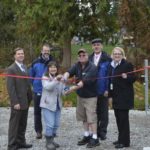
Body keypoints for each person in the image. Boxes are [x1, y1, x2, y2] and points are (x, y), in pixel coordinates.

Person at [63, 48, 100, 148]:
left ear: (88, 56)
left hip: (90, 97)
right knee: (83, 117)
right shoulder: (77, 65)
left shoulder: (93, 67)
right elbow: (69, 72)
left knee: (91, 118)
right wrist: (64, 77)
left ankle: (95, 138)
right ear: (78, 57)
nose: (82, 57)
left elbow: (81, 83)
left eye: (84, 55)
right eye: (80, 55)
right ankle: (87, 135)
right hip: (81, 96)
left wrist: (70, 90)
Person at [108, 47, 136, 149]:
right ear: (112, 55)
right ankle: (121, 139)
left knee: (123, 120)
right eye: (115, 54)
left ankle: (125, 142)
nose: (117, 55)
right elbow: (111, 81)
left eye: (119, 54)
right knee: (118, 119)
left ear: (122, 55)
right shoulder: (112, 66)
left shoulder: (127, 65)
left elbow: (133, 78)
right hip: (115, 97)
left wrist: (126, 77)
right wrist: (110, 96)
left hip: (124, 97)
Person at [6, 47, 32, 150]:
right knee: (14, 125)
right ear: (14, 56)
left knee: (23, 123)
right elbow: (10, 87)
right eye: (18, 54)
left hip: (25, 100)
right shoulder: (11, 69)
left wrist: (30, 97)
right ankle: (12, 145)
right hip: (17, 102)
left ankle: (21, 142)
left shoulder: (24, 67)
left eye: (22, 53)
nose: (21, 55)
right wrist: (15, 102)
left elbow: (26, 83)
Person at [29, 43, 54, 139]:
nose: (46, 52)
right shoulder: (35, 62)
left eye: (48, 51)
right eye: (45, 51)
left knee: (50, 111)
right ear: (41, 51)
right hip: (38, 91)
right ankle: (38, 131)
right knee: (37, 112)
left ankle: (50, 131)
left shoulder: (53, 61)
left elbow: (57, 73)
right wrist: (34, 85)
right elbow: (31, 76)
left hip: (49, 91)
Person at [89, 38, 111, 140]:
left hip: (103, 90)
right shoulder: (88, 59)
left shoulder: (107, 59)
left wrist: (107, 89)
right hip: (92, 91)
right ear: (92, 47)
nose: (96, 46)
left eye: (98, 44)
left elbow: (109, 75)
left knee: (104, 113)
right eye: (94, 45)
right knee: (94, 112)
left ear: (101, 46)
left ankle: (103, 132)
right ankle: (95, 131)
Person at [40, 61, 65, 150]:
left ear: (57, 68)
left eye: (55, 67)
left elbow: (62, 91)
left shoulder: (59, 77)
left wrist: (68, 89)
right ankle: (48, 143)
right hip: (47, 105)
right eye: (51, 67)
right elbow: (48, 87)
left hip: (57, 104)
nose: (53, 69)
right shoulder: (44, 77)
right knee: (50, 124)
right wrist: (56, 80)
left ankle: (52, 140)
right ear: (48, 69)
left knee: (56, 124)